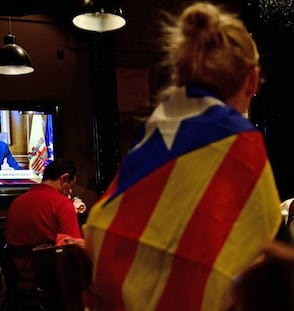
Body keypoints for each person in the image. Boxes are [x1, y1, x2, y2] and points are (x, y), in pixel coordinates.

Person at [82, 2, 283, 311]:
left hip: (113, 296)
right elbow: (261, 234)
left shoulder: (159, 126)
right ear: (252, 80)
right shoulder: (239, 139)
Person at [5, 159, 83, 309]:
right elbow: (72, 250)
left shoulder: (17, 202)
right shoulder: (62, 203)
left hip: (18, 289)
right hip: (52, 289)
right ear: (64, 179)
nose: (70, 192)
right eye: (70, 187)